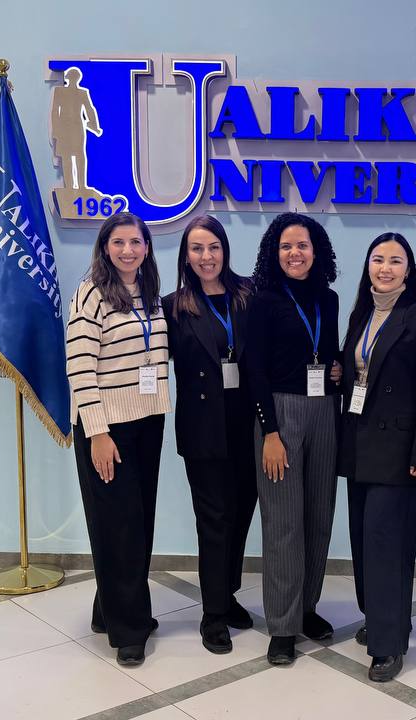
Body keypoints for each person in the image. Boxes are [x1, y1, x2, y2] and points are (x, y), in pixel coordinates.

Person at [337, 233, 416, 682]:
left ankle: (388, 645)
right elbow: (359, 371)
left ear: (408, 269)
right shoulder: (361, 312)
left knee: (386, 546)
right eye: (378, 259)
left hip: (399, 452)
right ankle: (384, 619)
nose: (385, 268)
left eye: (395, 260)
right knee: (363, 542)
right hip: (358, 445)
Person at [66, 212, 169, 667]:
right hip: (108, 429)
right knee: (118, 526)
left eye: (136, 242)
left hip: (148, 421)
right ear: (105, 247)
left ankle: (108, 611)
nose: (128, 250)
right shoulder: (91, 293)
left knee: (137, 523)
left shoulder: (150, 291)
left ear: (147, 247)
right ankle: (129, 630)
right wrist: (98, 432)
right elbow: (79, 367)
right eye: (119, 242)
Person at [244, 212, 343, 666]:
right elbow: (255, 370)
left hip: (325, 412)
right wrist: (269, 431)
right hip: (280, 416)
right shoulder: (262, 300)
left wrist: (337, 369)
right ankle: (282, 627)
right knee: (284, 523)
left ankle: (306, 608)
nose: (295, 253)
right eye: (286, 246)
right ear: (274, 252)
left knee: (319, 516)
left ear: (316, 251)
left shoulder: (329, 299)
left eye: (302, 245)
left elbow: (329, 352)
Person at [161, 215, 257, 655]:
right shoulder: (173, 306)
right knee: (214, 520)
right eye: (197, 249)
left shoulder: (248, 295)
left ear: (225, 250)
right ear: (186, 256)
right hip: (203, 430)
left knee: (240, 516)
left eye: (213, 247)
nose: (206, 256)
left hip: (247, 425)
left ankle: (228, 593)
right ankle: (213, 614)